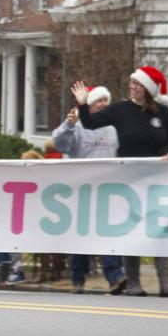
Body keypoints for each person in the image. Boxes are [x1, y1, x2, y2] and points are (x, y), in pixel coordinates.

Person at [73, 66, 168, 297]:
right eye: (131, 82)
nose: (132, 86)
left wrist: (164, 154)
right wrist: (82, 104)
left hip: (155, 177)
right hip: (129, 179)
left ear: (148, 89)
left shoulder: (162, 113)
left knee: (159, 228)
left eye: (137, 84)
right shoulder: (120, 109)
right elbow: (90, 123)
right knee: (133, 229)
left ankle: (166, 282)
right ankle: (133, 283)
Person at [51, 85, 126, 295]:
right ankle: (77, 279)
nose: (103, 104)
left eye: (105, 100)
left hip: (106, 190)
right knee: (82, 237)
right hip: (81, 190)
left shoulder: (112, 129)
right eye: (98, 100)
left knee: (106, 233)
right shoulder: (78, 126)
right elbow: (59, 143)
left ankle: (114, 277)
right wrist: (69, 124)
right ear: (89, 105)